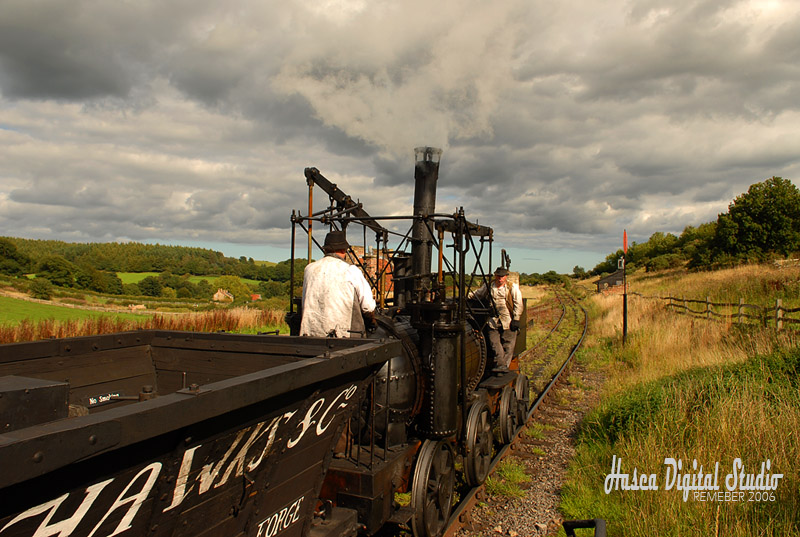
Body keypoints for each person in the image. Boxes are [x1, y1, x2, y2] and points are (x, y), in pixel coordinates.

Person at [300, 230, 377, 338]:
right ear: (343, 249)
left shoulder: (309, 269)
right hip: (345, 338)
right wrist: (372, 322)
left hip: (310, 336)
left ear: (325, 250)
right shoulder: (351, 270)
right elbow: (368, 306)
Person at [469, 267, 523, 373]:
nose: (500, 278)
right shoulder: (489, 286)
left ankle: (505, 366)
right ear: (495, 276)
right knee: (494, 342)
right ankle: (501, 364)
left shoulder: (512, 287)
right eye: (498, 276)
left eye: (502, 276)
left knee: (508, 344)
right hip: (493, 319)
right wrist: (466, 296)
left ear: (506, 276)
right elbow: (478, 294)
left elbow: (518, 304)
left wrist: (516, 319)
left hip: (507, 319)